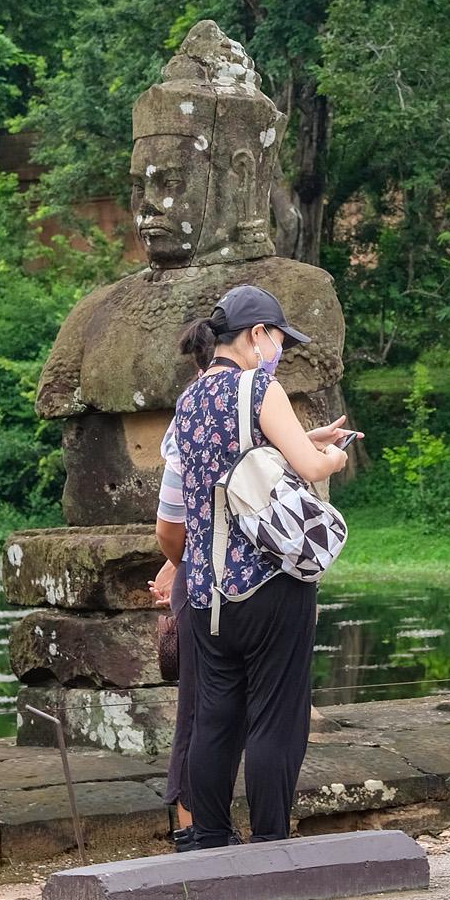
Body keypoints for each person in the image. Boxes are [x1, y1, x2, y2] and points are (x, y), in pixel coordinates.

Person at [152, 284, 350, 848]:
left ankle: (212, 840)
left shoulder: (188, 401)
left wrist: (302, 442)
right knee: (275, 721)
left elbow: (198, 489)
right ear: (258, 334)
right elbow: (310, 466)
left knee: (214, 720)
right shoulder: (260, 386)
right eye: (279, 339)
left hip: (207, 593)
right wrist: (334, 455)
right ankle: (269, 844)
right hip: (271, 584)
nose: (280, 351)